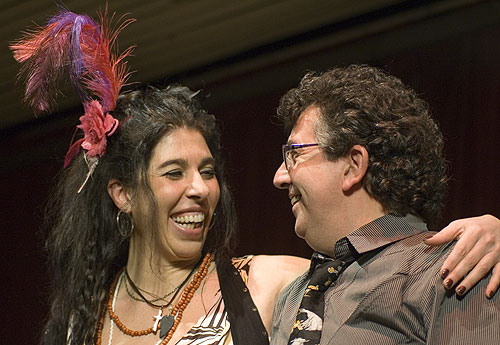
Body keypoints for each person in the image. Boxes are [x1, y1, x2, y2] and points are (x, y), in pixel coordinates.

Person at [9, 10, 500, 345]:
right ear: (122, 194)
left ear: (353, 165)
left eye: (207, 171)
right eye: (174, 172)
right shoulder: (304, 290)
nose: (200, 189)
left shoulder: (268, 284)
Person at [270, 64, 500, 345]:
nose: (280, 176)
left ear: (354, 165)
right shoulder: (292, 297)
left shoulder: (459, 264)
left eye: (295, 153)